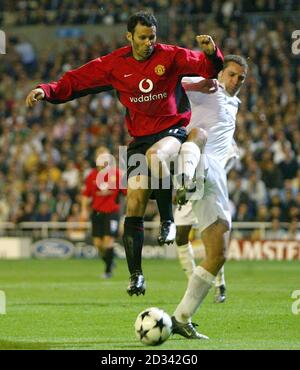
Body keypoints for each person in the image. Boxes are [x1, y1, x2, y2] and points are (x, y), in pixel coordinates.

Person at [25, 11, 224, 296]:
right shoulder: (114, 64)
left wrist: (212, 53)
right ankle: (136, 276)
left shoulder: (171, 56)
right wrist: (48, 90)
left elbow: (207, 68)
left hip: (172, 132)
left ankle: (168, 221)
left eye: (152, 37)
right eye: (142, 38)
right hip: (139, 141)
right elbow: (77, 80)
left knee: (157, 157)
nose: (148, 43)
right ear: (129, 36)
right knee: (134, 201)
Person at [171, 55, 248, 339]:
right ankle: (186, 181)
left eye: (241, 78)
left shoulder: (234, 103)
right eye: (231, 74)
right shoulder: (210, 86)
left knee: (218, 254)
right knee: (199, 134)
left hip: (214, 175)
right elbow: (171, 79)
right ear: (220, 72)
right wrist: (200, 82)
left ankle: (181, 318)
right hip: (198, 160)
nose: (235, 81)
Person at [81, 146, 126, 278]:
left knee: (108, 241)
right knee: (98, 244)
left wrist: (126, 215)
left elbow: (127, 194)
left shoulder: (117, 174)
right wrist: (84, 210)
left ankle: (108, 272)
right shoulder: (92, 175)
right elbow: (85, 194)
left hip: (112, 212)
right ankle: (109, 261)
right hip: (97, 212)